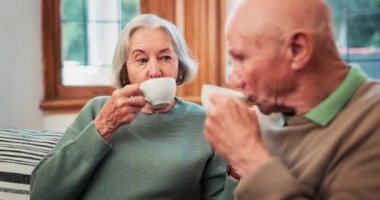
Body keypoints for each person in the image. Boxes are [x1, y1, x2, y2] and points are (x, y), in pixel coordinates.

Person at [31, 14, 235, 200]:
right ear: (125, 72)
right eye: (142, 60)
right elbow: (41, 194)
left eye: (165, 57)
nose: (154, 71)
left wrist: (238, 169)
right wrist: (103, 128)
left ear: (179, 67)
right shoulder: (98, 111)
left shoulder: (204, 122)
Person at [204, 0, 380, 199]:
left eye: (241, 58)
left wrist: (248, 155)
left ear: (297, 49)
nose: (233, 79)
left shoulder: (372, 122)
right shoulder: (269, 110)